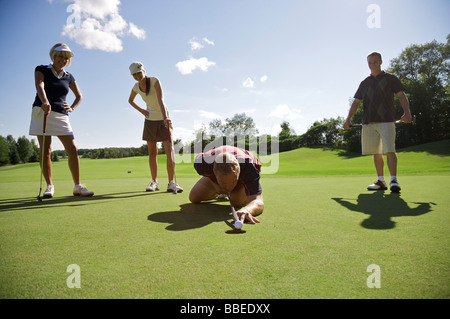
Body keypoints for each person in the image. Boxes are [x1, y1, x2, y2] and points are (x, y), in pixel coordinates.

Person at [29, 43, 94, 198]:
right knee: (46, 151)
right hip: (42, 111)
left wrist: (71, 107)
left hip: (61, 114)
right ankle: (49, 186)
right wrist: (45, 101)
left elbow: (79, 96)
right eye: (60, 56)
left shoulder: (69, 76)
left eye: (66, 58)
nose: (63, 60)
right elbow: (40, 85)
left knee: (72, 148)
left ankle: (77, 186)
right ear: (54, 56)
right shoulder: (42, 69)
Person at [344, 52, 412, 192]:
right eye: (370, 63)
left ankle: (393, 180)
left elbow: (401, 95)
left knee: (389, 150)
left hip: (386, 120)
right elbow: (356, 102)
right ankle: (381, 181)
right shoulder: (364, 83)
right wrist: (348, 119)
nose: (372, 65)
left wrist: (407, 112)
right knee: (376, 152)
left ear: (381, 62)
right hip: (368, 122)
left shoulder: (390, 78)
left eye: (375, 62)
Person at [128, 62, 182, 193]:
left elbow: (160, 99)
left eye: (138, 73)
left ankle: (171, 183)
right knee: (152, 153)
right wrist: (142, 111)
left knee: (169, 150)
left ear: (144, 71)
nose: (137, 76)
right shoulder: (136, 87)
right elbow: (130, 101)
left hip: (163, 119)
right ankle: (154, 182)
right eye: (134, 74)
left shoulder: (154, 81)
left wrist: (165, 118)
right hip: (149, 121)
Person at [189, 145, 264, 224]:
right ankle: (221, 187)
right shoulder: (202, 164)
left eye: (232, 182)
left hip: (247, 162)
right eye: (223, 182)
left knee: (236, 201)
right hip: (216, 164)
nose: (228, 188)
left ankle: (236, 184)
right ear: (214, 173)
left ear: (239, 173)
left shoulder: (248, 169)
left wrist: (246, 210)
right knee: (194, 197)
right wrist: (215, 185)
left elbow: (258, 201)